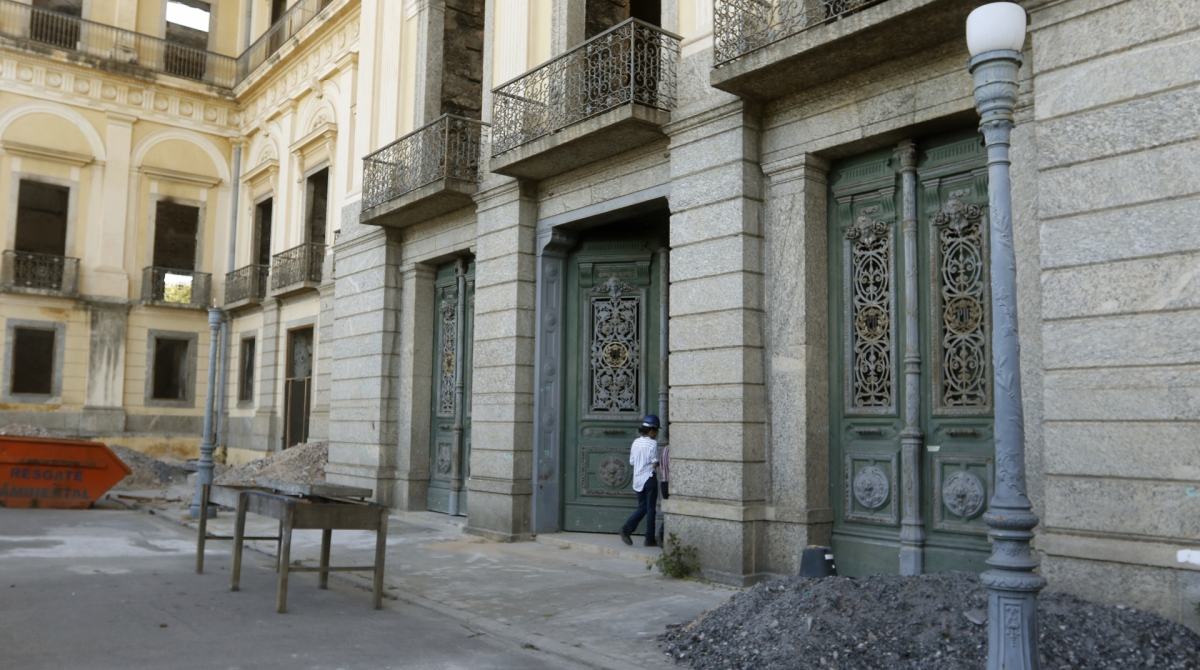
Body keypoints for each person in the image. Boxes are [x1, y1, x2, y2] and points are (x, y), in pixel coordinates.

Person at [620, 414, 660, 547]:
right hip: (649, 478)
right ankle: (649, 538)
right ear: (652, 431)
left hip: (637, 480)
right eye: (656, 431)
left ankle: (627, 528)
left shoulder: (636, 442)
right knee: (650, 509)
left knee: (642, 507)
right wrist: (656, 464)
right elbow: (655, 463)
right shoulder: (653, 443)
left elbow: (631, 461)